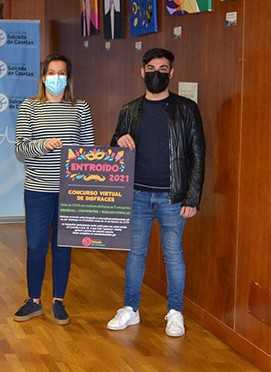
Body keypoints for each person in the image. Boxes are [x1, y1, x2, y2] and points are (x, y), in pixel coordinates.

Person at [106, 48, 205, 337]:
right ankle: (130, 308)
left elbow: (198, 155)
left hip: (173, 198)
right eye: (151, 68)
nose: (157, 74)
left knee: (173, 255)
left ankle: (175, 312)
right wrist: (117, 139)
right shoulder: (129, 110)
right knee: (136, 254)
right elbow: (115, 149)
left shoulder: (186, 109)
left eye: (163, 69)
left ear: (171, 73)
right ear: (142, 71)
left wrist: (192, 198)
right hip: (137, 195)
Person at [13, 53, 94, 325]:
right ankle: (33, 301)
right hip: (38, 189)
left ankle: (59, 301)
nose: (56, 78)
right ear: (43, 76)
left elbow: (89, 151)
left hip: (70, 190)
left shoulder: (80, 108)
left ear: (68, 78)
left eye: (61, 73)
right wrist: (43, 145)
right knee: (36, 246)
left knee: (63, 247)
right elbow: (20, 149)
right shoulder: (29, 107)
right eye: (51, 72)